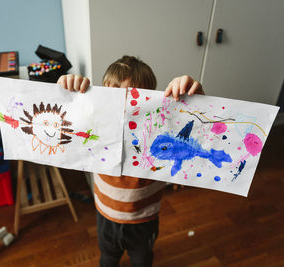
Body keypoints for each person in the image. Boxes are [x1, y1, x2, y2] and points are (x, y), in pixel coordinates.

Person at [57, 56, 204, 267]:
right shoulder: (97, 125)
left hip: (144, 219)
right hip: (106, 215)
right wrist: (67, 89)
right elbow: (68, 122)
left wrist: (196, 98)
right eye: (115, 97)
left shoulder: (161, 130)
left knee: (142, 261)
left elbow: (197, 132)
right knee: (107, 259)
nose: (125, 107)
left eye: (134, 99)